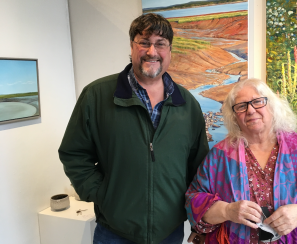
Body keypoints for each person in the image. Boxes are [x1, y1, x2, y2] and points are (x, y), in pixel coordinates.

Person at [58, 13, 209, 244]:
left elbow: (199, 166)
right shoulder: (97, 96)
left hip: (169, 231)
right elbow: (74, 153)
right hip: (114, 231)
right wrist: (101, 194)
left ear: (169, 51)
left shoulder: (187, 104)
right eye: (144, 42)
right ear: (132, 46)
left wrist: (195, 213)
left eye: (160, 44)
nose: (152, 51)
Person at [185, 79, 297, 244]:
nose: (250, 110)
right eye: (241, 106)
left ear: (272, 106)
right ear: (235, 116)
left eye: (258, 102)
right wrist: (227, 210)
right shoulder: (220, 155)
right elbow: (193, 201)